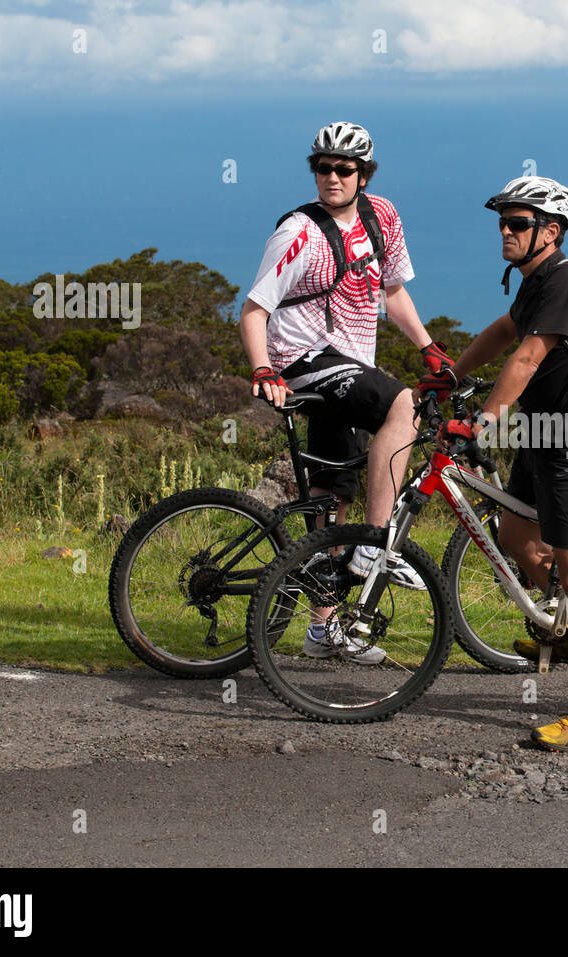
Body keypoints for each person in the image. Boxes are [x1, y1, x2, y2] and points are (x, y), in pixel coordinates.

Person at [416, 175, 568, 751]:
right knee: (514, 531)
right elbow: (504, 332)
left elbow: (528, 357)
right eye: (503, 221)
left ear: (549, 233)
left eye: (518, 223)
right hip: (541, 435)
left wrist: (480, 422)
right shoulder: (535, 281)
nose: (505, 230)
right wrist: (452, 375)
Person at [241, 121, 452, 664]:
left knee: (331, 497)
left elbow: (394, 292)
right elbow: (254, 310)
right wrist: (265, 371)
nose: (331, 177)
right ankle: (375, 542)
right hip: (307, 363)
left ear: (364, 174)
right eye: (322, 167)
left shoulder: (383, 216)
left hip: (351, 367)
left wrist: (429, 346)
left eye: (344, 169)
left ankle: (321, 629)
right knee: (403, 403)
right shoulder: (298, 233)